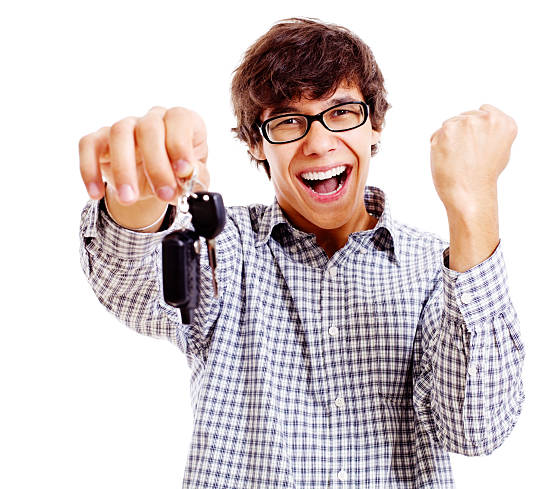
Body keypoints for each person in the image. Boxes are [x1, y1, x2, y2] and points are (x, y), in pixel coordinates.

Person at [79, 17, 525, 489]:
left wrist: (473, 205)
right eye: (288, 121)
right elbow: (132, 285)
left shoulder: (441, 271)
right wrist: (141, 196)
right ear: (255, 141)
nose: (318, 143)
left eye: (341, 113)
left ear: (374, 125)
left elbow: (477, 429)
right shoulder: (225, 248)